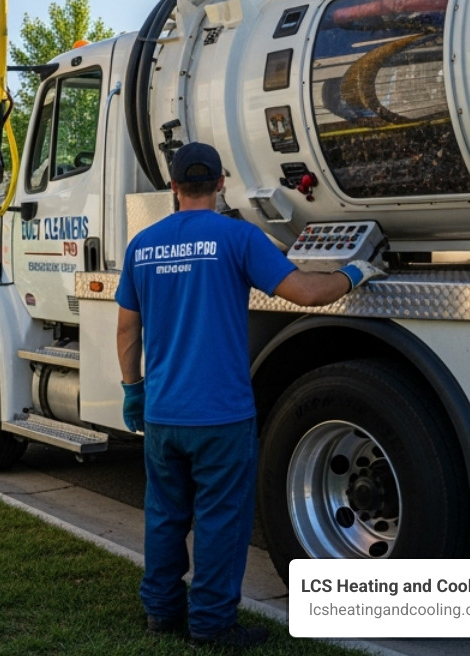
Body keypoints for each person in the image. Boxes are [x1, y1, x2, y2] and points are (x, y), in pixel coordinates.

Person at [114, 142, 381, 649]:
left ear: (173, 186)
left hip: (164, 414)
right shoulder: (238, 237)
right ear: (219, 184)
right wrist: (352, 273)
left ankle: (162, 613)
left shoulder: (142, 246)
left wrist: (133, 390)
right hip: (221, 416)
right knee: (220, 519)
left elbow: (127, 330)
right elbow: (303, 292)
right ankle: (212, 624)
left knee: (165, 515)